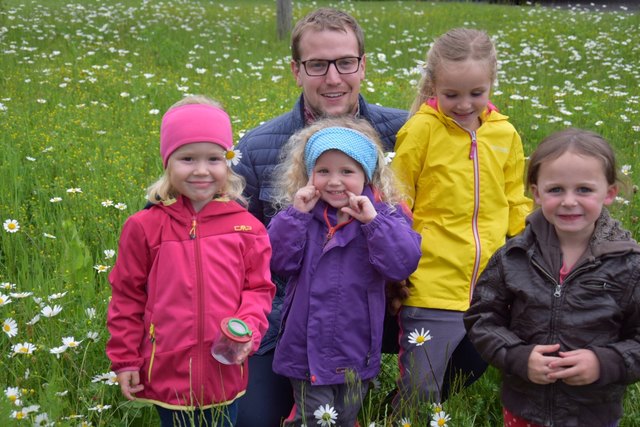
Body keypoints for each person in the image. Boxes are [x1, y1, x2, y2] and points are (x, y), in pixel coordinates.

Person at [232, 8, 407, 426]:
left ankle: (401, 403)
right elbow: (239, 243)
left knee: (463, 341)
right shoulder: (258, 148)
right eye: (317, 65)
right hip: (296, 318)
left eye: (345, 62)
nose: (333, 78)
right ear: (296, 70)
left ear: (362, 65)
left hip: (389, 303)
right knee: (253, 418)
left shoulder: (407, 133)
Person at [106, 95, 275, 427]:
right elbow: (127, 295)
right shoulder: (144, 227)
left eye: (214, 158)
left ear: (228, 161)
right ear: (168, 162)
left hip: (225, 369)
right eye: (187, 158)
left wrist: (248, 329)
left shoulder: (247, 227)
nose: (201, 170)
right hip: (165, 369)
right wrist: (125, 360)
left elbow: (259, 289)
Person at [390, 28, 532, 407]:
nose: (465, 104)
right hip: (431, 282)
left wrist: (530, 251)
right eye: (451, 94)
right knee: (421, 387)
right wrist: (399, 265)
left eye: (476, 93)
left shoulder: (505, 134)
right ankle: (400, 415)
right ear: (434, 84)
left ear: (491, 83)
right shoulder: (420, 130)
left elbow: (515, 199)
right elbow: (398, 202)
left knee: (466, 370)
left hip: (490, 283)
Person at [464, 128, 640, 427]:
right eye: (556, 189)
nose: (569, 201)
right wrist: (518, 356)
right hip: (524, 408)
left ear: (609, 193)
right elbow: (482, 318)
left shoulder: (629, 265)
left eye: (584, 189)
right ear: (536, 192)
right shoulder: (513, 255)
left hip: (592, 413)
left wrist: (603, 362)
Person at [268, 117, 422, 427]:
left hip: (356, 346)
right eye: (323, 171)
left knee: (346, 415)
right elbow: (278, 262)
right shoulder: (302, 215)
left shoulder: (383, 216)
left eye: (347, 171)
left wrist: (373, 223)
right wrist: (295, 216)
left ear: (366, 174)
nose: (335, 181)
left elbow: (402, 263)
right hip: (306, 347)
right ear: (309, 175)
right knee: (313, 417)